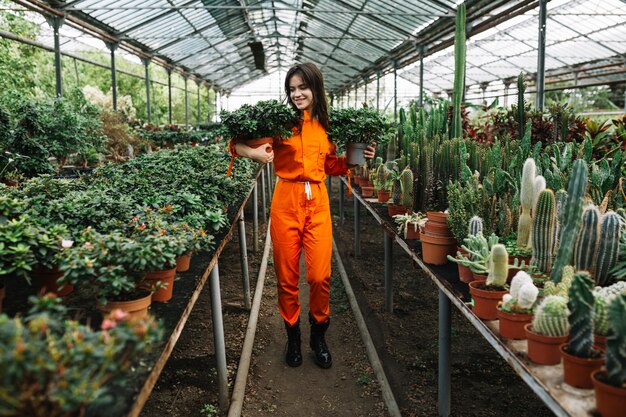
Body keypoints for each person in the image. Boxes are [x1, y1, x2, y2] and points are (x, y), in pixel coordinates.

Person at [230, 62, 375, 369]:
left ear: (316, 88)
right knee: (286, 276)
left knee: (320, 275)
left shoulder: (328, 124)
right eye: (292, 89)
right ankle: (293, 336)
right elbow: (237, 143)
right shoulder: (281, 123)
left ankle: (318, 336)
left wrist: (354, 158)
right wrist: (255, 153)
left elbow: (332, 167)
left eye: (302, 88)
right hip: (286, 200)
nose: (297, 94)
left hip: (318, 201)